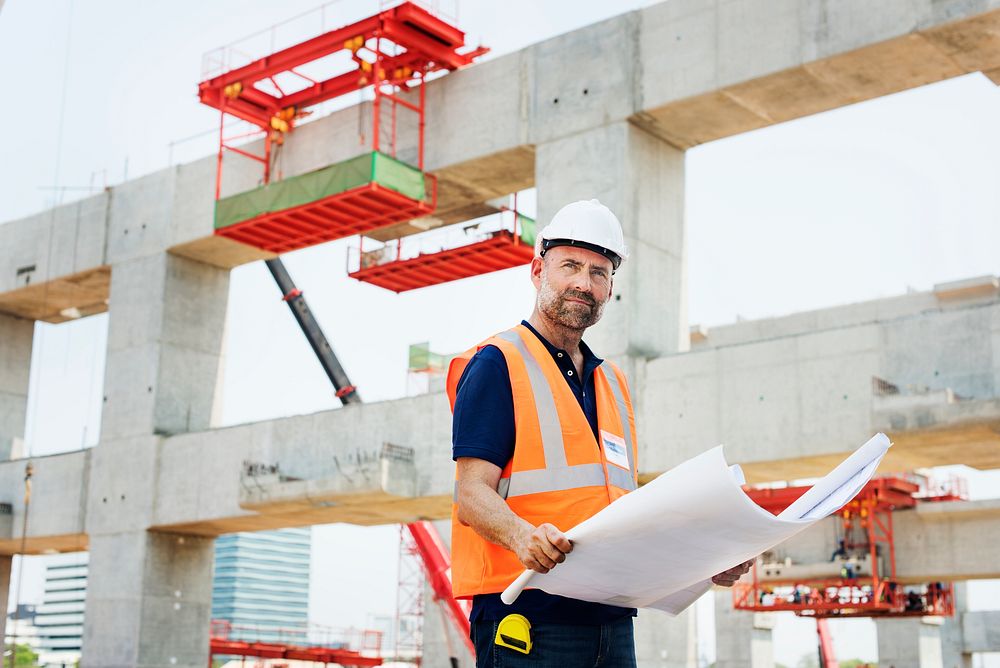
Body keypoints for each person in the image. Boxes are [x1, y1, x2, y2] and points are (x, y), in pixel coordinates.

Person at [447, 200, 753, 667]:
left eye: (599, 272)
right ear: (537, 271)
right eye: (570, 265)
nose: (583, 283)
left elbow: (622, 511)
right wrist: (522, 536)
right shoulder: (497, 363)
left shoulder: (611, 382)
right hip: (529, 622)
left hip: (611, 623)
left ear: (610, 288)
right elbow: (470, 494)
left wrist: (707, 561)